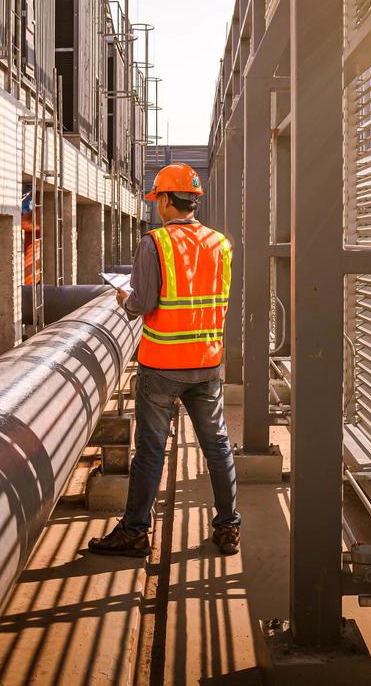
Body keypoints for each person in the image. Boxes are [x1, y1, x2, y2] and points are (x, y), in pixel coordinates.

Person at [88, 163, 241, 558]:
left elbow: (142, 304)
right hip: (207, 363)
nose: (157, 206)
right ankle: (228, 528)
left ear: (169, 200)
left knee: (151, 451)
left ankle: (136, 531)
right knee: (218, 446)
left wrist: (124, 297)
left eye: (158, 198)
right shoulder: (221, 244)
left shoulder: (154, 243)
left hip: (162, 365)